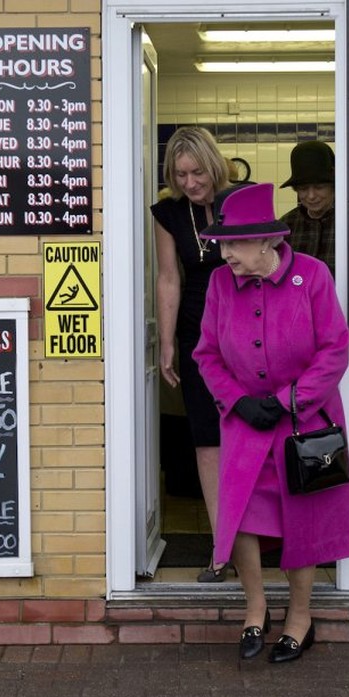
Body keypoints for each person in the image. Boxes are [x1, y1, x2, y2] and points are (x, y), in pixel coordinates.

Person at [192, 183, 349, 663]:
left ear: (267, 241)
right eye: (221, 244)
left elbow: (334, 349)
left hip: (304, 423)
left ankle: (300, 618)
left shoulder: (311, 276)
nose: (225, 254)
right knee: (242, 515)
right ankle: (255, 609)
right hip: (246, 422)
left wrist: (293, 399)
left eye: (234, 244)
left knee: (301, 519)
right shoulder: (220, 285)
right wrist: (237, 401)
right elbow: (206, 353)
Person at [149, 126, 235, 583]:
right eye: (179, 174)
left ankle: (260, 541)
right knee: (208, 439)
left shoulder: (242, 200)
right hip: (197, 335)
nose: (189, 182)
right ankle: (222, 550)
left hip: (247, 330)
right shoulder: (169, 213)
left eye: (196, 171)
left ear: (213, 164)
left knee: (252, 435)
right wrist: (166, 343)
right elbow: (169, 278)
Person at [280, 140, 336, 274]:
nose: (311, 196)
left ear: (333, 186)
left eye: (319, 187)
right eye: (303, 189)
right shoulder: (286, 225)